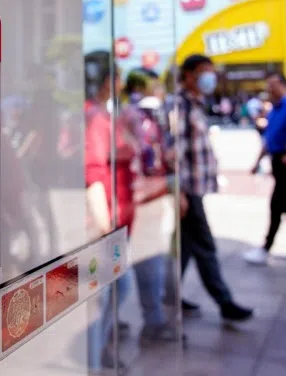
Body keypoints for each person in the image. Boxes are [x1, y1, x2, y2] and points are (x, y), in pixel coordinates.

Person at [175, 54, 254, 324]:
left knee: (185, 247)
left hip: (194, 189)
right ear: (189, 75)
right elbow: (174, 152)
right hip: (188, 191)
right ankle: (224, 302)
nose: (210, 78)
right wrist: (180, 192)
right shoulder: (181, 105)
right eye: (204, 72)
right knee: (204, 246)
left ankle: (169, 295)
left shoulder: (195, 104)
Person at [84, 51, 138, 372]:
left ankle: (101, 353)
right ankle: (94, 362)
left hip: (115, 221)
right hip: (107, 225)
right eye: (117, 76)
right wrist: (105, 228)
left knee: (111, 292)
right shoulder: (95, 118)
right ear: (107, 80)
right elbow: (93, 173)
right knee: (108, 294)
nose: (121, 83)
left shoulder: (105, 115)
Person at [121, 69, 180, 345]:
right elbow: (148, 158)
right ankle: (152, 321)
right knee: (147, 260)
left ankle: (120, 321)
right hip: (143, 198)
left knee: (143, 261)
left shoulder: (132, 114)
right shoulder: (141, 116)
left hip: (140, 196)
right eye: (155, 84)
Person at [244, 72, 286, 266]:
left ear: (283, 85)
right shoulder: (273, 110)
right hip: (276, 161)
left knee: (277, 204)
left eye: (273, 85)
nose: (270, 89)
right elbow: (268, 140)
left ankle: (266, 247)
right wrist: (257, 162)